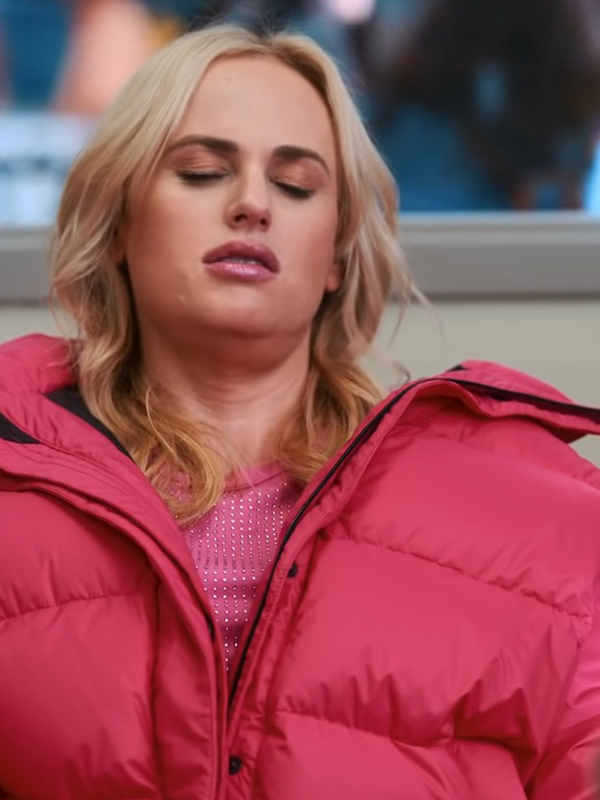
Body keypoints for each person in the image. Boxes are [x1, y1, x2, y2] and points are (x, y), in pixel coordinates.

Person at [1, 23, 600, 800]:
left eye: (295, 185)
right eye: (202, 172)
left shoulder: (539, 519)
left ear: (338, 255)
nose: (252, 204)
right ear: (118, 223)